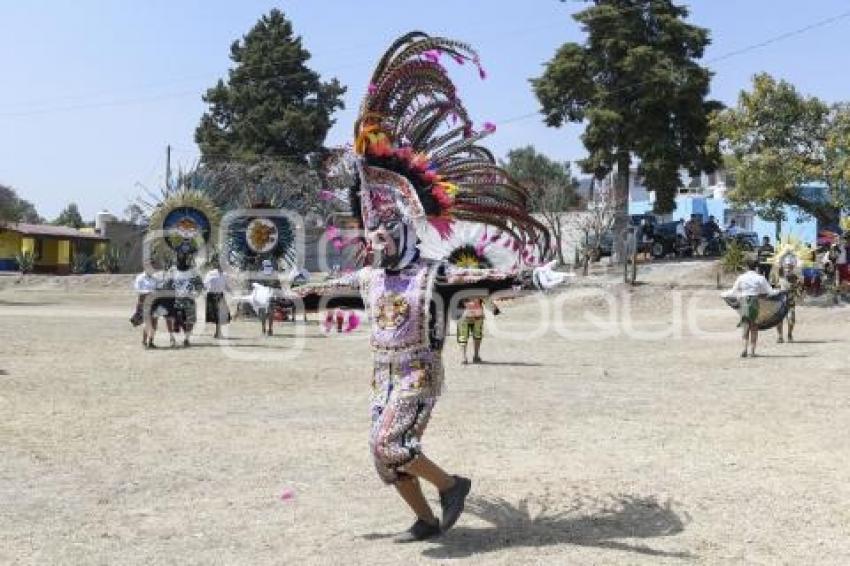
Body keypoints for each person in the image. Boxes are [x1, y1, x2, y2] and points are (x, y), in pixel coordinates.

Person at [291, 33, 550, 543]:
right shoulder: (368, 279)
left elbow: (481, 279)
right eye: (371, 232)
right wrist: (273, 298)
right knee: (383, 458)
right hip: (380, 377)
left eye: (384, 230)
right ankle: (426, 519)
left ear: (404, 230)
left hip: (417, 373)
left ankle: (454, 486)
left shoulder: (432, 276)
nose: (375, 238)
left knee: (394, 442)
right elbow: (321, 292)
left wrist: (530, 277)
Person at [724, 258, 778, 357]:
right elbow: (770, 292)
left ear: (746, 266)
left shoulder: (741, 277)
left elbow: (733, 292)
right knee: (754, 327)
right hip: (754, 302)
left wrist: (723, 294)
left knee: (745, 326)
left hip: (744, 302)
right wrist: (780, 291)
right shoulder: (760, 278)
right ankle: (752, 351)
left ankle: (744, 349)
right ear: (756, 267)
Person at [163, 253, 204, 347]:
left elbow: (200, 285)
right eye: (180, 259)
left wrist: (196, 294)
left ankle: (187, 338)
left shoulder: (193, 271)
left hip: (189, 299)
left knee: (191, 320)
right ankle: (172, 338)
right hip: (175, 299)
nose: (183, 261)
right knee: (170, 318)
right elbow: (166, 284)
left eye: (185, 259)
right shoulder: (172, 271)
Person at [457, 296, 499, 364]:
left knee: (469, 336)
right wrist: (494, 309)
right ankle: (469, 356)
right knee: (471, 336)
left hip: (471, 316)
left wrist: (494, 308)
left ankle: (468, 357)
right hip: (471, 315)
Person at [130, 267, 160, 348]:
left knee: (154, 323)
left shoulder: (155, 278)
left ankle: (151, 342)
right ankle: (144, 341)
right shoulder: (140, 277)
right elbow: (137, 289)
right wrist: (148, 292)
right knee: (147, 322)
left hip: (155, 303)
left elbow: (158, 288)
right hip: (144, 302)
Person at [772, 259, 801, 343]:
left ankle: (789, 334)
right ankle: (780, 336)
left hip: (790, 302)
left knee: (791, 320)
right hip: (780, 302)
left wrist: (797, 290)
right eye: (786, 266)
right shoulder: (779, 276)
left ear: (792, 267)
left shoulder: (795, 277)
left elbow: (798, 290)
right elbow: (773, 287)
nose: (788, 268)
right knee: (778, 320)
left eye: (789, 266)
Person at [203, 262, 230, 339]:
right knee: (216, 315)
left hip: (220, 295)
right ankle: (217, 332)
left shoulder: (224, 275)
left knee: (220, 314)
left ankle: (218, 332)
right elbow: (205, 284)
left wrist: (231, 291)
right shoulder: (211, 274)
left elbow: (226, 285)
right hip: (211, 295)